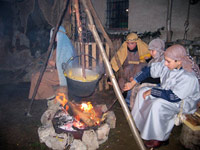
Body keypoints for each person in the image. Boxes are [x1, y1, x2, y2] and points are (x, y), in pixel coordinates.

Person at [124, 44, 200, 148]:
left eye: (168, 61)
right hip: (168, 92)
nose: (165, 63)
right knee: (142, 91)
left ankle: (159, 138)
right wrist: (132, 83)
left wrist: (153, 91)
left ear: (179, 61)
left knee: (158, 104)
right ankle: (142, 125)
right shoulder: (167, 65)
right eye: (165, 60)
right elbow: (148, 70)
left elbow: (174, 97)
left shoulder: (188, 76)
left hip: (182, 102)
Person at [29, 26, 77, 100]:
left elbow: (68, 66)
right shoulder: (58, 47)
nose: (54, 37)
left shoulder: (66, 47)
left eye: (55, 34)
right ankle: (35, 97)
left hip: (62, 75)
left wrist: (55, 64)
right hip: (55, 71)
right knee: (34, 74)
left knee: (38, 77)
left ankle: (51, 96)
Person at [125, 38, 165, 109]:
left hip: (159, 84)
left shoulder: (163, 61)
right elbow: (145, 71)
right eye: (150, 50)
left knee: (137, 88)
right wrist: (135, 79)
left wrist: (138, 81)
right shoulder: (154, 60)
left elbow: (154, 76)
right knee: (131, 88)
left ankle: (136, 108)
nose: (150, 53)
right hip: (149, 80)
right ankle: (129, 105)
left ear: (159, 50)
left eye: (153, 51)